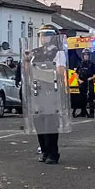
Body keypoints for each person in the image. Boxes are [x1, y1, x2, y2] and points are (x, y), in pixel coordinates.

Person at [27, 24, 67, 165]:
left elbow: (60, 71)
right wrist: (26, 60)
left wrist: (40, 73)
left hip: (51, 90)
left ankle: (53, 153)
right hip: (37, 91)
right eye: (42, 35)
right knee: (39, 123)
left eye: (47, 35)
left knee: (50, 124)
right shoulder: (36, 52)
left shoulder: (58, 52)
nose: (44, 38)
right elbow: (28, 71)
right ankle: (44, 150)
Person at [75, 48, 95, 118]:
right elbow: (76, 73)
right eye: (84, 55)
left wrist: (91, 78)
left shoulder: (92, 64)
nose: (86, 56)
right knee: (82, 98)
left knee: (90, 97)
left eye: (87, 55)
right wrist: (79, 80)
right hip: (82, 83)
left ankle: (91, 112)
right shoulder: (80, 64)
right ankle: (83, 112)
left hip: (89, 83)